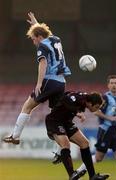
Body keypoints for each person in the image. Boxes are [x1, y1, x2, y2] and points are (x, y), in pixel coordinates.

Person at [3, 12, 71, 145]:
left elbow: (43, 63)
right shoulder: (56, 39)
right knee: (56, 118)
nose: (33, 42)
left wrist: (39, 84)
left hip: (49, 81)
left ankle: (15, 136)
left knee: (27, 106)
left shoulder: (42, 45)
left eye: (34, 38)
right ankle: (63, 148)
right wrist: (36, 23)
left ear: (39, 37)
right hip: (61, 82)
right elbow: (46, 34)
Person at [45, 90, 109, 180]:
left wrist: (75, 112)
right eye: (97, 107)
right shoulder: (80, 99)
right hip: (54, 121)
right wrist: (77, 113)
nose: (97, 110)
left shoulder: (84, 98)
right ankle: (71, 174)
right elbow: (65, 99)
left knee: (85, 143)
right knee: (65, 144)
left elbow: (67, 93)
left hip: (66, 122)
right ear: (91, 103)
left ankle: (92, 176)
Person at [77, 75, 116, 180]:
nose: (114, 85)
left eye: (115, 83)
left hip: (115, 130)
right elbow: (96, 111)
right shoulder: (105, 98)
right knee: (98, 157)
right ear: (108, 85)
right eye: (112, 83)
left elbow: (114, 111)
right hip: (105, 131)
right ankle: (78, 173)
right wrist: (109, 118)